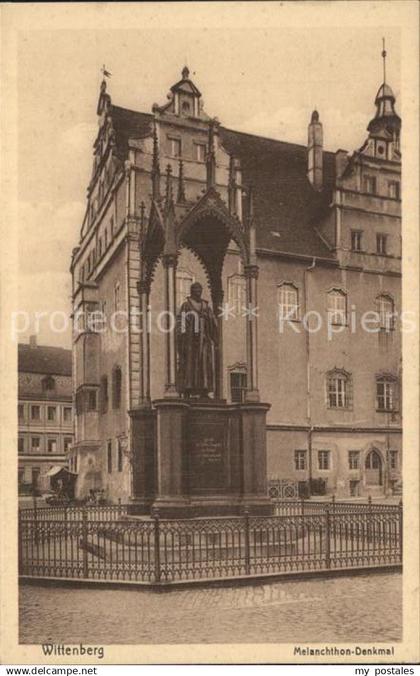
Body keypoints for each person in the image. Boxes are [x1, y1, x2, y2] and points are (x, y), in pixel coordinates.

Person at [176, 282, 218, 397]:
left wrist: (208, 319)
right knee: (190, 365)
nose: (198, 291)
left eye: (200, 289)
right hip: (190, 342)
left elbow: (213, 322)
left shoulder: (206, 307)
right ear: (191, 291)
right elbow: (181, 322)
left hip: (204, 341)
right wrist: (183, 336)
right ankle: (187, 390)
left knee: (204, 365)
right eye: (195, 289)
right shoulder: (186, 305)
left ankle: (204, 390)